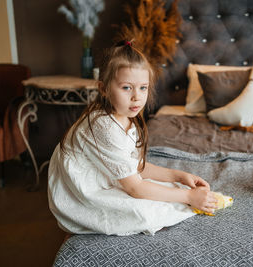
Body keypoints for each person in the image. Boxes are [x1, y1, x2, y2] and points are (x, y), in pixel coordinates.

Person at [48, 41, 219, 236]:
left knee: (169, 189)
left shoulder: (127, 118)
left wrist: (177, 175)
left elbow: (135, 166)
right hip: (82, 193)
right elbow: (135, 188)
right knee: (145, 212)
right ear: (103, 88)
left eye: (143, 88)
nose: (137, 97)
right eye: (127, 88)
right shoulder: (103, 125)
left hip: (112, 177)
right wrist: (189, 196)